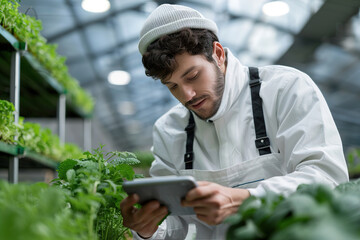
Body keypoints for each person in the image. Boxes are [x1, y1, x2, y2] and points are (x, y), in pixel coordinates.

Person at [120, 3, 349, 239]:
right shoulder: (169, 130)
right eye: (173, 86)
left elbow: (327, 178)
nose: (186, 95)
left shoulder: (286, 89)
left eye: (193, 76)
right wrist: (149, 229)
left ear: (218, 54)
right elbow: (175, 225)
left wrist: (245, 200)